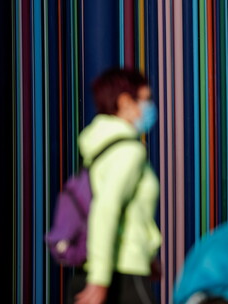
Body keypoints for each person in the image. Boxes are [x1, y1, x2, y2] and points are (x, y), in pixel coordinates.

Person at [68, 69, 161, 304]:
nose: (150, 107)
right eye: (146, 99)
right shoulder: (129, 152)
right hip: (122, 275)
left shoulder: (100, 147)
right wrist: (99, 280)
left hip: (97, 268)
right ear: (125, 102)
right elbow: (106, 209)